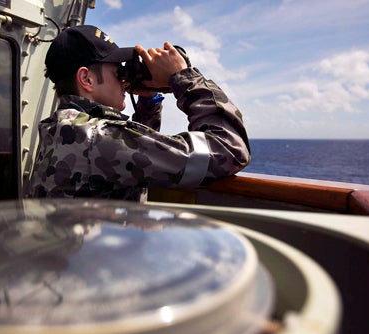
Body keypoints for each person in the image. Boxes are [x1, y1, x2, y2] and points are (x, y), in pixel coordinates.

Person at [29, 25, 250, 202]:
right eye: (118, 72)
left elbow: (132, 159)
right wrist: (184, 78)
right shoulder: (95, 138)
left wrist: (148, 101)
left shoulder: (62, 127)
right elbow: (229, 150)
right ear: (86, 79)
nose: (125, 80)